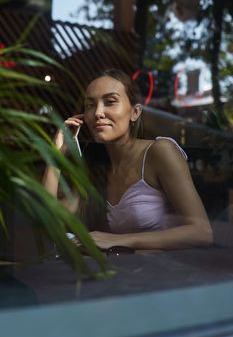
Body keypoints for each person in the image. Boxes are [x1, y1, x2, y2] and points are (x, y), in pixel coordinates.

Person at [43, 69, 213, 251]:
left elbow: (202, 232)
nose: (98, 112)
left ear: (135, 112)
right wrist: (55, 157)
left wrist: (118, 240)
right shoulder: (96, 168)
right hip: (122, 274)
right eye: (90, 105)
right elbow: (46, 221)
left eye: (110, 102)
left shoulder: (160, 151)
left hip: (169, 273)